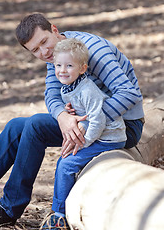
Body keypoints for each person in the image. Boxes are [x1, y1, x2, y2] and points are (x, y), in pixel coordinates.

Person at [0, 13, 145, 226]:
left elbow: (129, 93)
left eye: (44, 42)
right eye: (35, 50)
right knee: (16, 126)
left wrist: (83, 125)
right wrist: (63, 117)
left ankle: (9, 208)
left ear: (54, 29)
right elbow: (52, 95)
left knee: (35, 125)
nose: (43, 52)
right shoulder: (57, 55)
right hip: (88, 122)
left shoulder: (91, 49)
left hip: (123, 125)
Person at [40, 38, 127, 229]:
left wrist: (84, 143)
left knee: (66, 163)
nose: (62, 70)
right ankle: (60, 206)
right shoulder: (69, 85)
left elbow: (99, 120)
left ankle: (59, 215)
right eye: (58, 65)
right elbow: (83, 110)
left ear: (82, 68)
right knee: (65, 160)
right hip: (97, 133)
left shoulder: (87, 89)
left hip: (109, 137)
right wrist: (71, 111)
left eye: (69, 65)